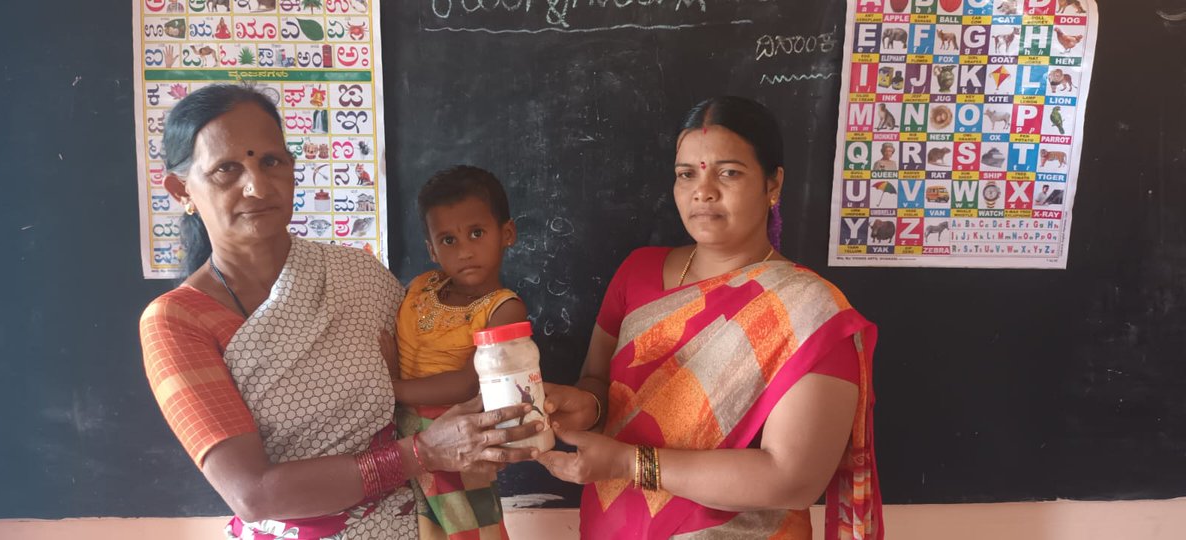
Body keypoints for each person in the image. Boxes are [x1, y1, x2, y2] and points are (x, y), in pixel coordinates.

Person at [139, 84, 541, 540]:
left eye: (271, 161)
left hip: (429, 523)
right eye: (226, 169)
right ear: (181, 190)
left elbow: (445, 368)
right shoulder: (177, 322)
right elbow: (253, 494)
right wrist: (422, 453)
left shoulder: (357, 274)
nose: (257, 186)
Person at [536, 96, 883, 539]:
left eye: (729, 172)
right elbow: (598, 383)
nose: (703, 191)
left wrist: (630, 463)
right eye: (687, 174)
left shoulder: (810, 310)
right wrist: (588, 406)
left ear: (773, 183)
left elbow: (793, 479)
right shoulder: (637, 272)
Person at [387, 166, 527, 539]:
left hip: (458, 435)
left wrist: (390, 389)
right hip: (398, 435)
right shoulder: (421, 287)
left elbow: (468, 383)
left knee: (469, 530)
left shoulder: (503, 309)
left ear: (507, 234)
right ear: (432, 249)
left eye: (476, 233)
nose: (464, 251)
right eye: (448, 240)